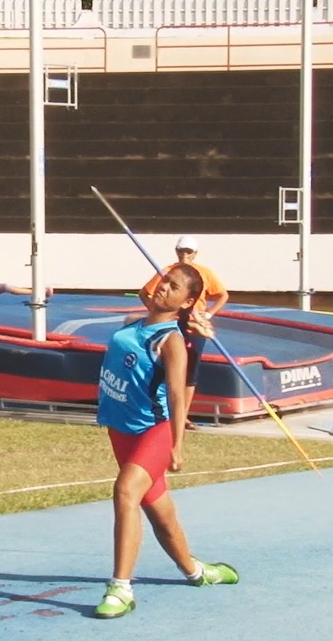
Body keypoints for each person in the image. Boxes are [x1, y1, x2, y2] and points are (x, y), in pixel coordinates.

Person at [93, 263, 239, 620]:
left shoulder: (172, 341)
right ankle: (197, 571)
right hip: (121, 429)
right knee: (161, 515)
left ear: (186, 300)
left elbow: (177, 393)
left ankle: (121, 588)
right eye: (164, 281)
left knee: (126, 491)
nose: (163, 288)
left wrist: (176, 444)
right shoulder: (135, 323)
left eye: (173, 287)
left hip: (152, 431)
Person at [139, 235, 229, 431]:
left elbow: (223, 295)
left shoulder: (204, 273)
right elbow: (144, 293)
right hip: (172, 326)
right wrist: (157, 312)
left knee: (190, 374)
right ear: (176, 251)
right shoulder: (169, 272)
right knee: (166, 369)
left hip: (193, 327)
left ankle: (183, 417)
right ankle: (162, 412)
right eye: (181, 251)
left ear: (195, 254)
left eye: (189, 252)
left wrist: (208, 314)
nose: (185, 255)